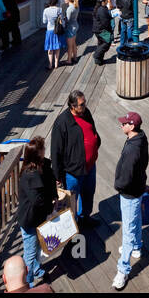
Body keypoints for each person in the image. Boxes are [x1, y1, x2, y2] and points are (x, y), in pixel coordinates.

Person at [51, 90, 102, 224]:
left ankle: (85, 217)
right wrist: (57, 176)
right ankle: (73, 226)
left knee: (89, 194)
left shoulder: (86, 113)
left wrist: (96, 141)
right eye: (81, 104)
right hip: (73, 171)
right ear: (72, 106)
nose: (84, 106)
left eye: (84, 103)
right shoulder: (62, 122)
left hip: (90, 166)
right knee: (72, 201)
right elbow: (55, 150)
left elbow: (92, 129)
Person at [112, 111, 149, 291]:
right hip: (138, 188)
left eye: (124, 123)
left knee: (128, 229)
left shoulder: (132, 148)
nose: (121, 125)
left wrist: (119, 186)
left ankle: (123, 269)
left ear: (132, 126)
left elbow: (126, 176)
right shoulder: (141, 138)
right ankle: (136, 247)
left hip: (129, 194)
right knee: (136, 220)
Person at [14, 136, 56, 290]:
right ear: (37, 153)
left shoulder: (42, 165)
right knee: (30, 254)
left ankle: (37, 270)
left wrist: (55, 196)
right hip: (30, 220)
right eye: (43, 148)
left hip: (39, 217)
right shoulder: (30, 175)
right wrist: (51, 206)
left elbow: (51, 180)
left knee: (38, 247)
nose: (45, 150)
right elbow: (37, 201)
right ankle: (28, 284)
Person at [91, 0, 113, 66]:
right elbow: (105, 22)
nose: (107, 0)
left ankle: (99, 60)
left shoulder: (100, 8)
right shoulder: (102, 10)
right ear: (103, 2)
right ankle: (97, 55)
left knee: (101, 43)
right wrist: (110, 30)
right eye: (106, 0)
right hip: (101, 30)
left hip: (97, 29)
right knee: (107, 42)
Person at [42, 0, 63, 70]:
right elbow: (61, 21)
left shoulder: (46, 10)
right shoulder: (59, 9)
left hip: (50, 30)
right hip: (57, 31)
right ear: (56, 2)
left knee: (50, 48)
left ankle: (50, 64)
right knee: (57, 47)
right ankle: (56, 64)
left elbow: (44, 22)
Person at [62, 0, 80, 65]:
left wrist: (62, 19)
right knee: (73, 43)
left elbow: (68, 20)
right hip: (75, 25)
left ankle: (69, 60)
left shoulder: (69, 9)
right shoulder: (76, 6)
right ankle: (75, 57)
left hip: (70, 27)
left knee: (69, 46)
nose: (64, 0)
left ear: (68, 0)